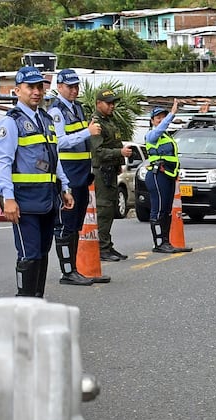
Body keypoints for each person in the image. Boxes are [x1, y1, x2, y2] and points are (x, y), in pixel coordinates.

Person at [0, 66, 74, 298]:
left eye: (40, 87)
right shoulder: (11, 123)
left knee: (42, 252)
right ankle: (24, 304)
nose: (36, 92)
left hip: (47, 198)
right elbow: (3, 163)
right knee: (29, 253)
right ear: (18, 90)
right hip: (24, 201)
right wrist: (8, 198)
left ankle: (36, 300)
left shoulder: (46, 119)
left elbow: (54, 157)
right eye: (31, 87)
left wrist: (65, 186)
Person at [48, 67, 101, 286]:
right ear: (59, 87)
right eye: (70, 86)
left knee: (77, 225)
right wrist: (87, 132)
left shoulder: (78, 108)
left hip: (81, 173)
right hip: (68, 172)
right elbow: (59, 141)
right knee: (66, 225)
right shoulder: (56, 111)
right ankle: (67, 271)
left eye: (76, 86)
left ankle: (75, 269)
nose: (74, 90)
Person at [89, 88, 131, 262]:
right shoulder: (96, 123)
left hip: (111, 170)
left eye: (113, 103)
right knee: (104, 209)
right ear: (99, 104)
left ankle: (106, 244)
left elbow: (114, 142)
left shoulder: (110, 121)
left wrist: (119, 163)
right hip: (101, 171)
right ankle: (101, 247)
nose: (112, 106)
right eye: (108, 103)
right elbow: (98, 152)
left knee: (111, 208)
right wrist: (119, 153)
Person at [144, 100, 188, 254]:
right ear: (152, 121)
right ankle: (159, 243)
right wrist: (172, 113)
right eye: (158, 118)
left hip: (168, 175)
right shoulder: (151, 135)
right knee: (158, 209)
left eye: (163, 117)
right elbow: (159, 129)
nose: (161, 120)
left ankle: (166, 241)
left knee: (167, 210)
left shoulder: (166, 136)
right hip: (157, 176)